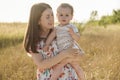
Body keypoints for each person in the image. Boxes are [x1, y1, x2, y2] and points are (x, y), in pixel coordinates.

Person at [24, 3, 84, 80]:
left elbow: (79, 54)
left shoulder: (60, 32)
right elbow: (41, 64)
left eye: (52, 15)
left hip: (69, 77)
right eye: (47, 17)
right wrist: (64, 55)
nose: (51, 19)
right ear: (38, 21)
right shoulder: (34, 40)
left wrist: (74, 56)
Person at [43, 3, 85, 80]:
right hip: (64, 52)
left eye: (67, 15)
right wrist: (46, 45)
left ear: (71, 17)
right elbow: (51, 36)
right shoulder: (57, 28)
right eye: (61, 15)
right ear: (57, 16)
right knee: (71, 66)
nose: (63, 17)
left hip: (71, 50)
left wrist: (73, 34)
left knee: (66, 66)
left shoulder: (71, 27)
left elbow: (78, 38)